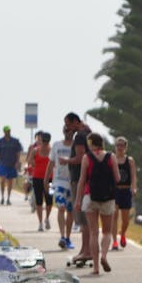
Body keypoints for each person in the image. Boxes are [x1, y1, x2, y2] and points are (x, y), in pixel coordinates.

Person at [74, 132, 120, 275]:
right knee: (106, 232)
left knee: (94, 232)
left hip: (90, 197)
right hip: (108, 198)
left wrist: (78, 200)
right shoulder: (111, 156)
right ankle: (104, 256)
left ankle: (95, 267)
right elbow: (117, 178)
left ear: (91, 143)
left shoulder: (87, 158)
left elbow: (82, 180)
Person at [61, 112, 92, 262]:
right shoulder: (87, 132)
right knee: (85, 217)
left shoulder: (80, 136)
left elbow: (81, 158)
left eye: (68, 124)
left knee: (82, 217)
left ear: (75, 122)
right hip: (87, 180)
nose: (67, 128)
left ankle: (86, 251)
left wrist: (66, 160)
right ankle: (85, 250)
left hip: (80, 180)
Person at [45, 126, 75, 249]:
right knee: (61, 207)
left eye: (70, 131)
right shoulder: (57, 145)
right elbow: (51, 162)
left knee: (71, 212)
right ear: (63, 132)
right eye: (66, 131)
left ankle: (68, 237)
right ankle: (62, 236)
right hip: (59, 183)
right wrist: (46, 179)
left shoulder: (76, 147)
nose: (68, 133)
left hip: (72, 183)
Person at [111, 136, 138, 251]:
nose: (120, 147)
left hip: (126, 190)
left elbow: (133, 176)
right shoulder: (112, 159)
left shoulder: (130, 160)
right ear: (115, 147)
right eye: (118, 145)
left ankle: (122, 233)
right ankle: (114, 241)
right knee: (114, 215)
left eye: (122, 145)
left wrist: (134, 188)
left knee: (125, 219)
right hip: (114, 190)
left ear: (125, 147)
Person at [28, 131, 53, 231]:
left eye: (47, 141)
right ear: (41, 140)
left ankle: (47, 218)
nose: (45, 143)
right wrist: (34, 164)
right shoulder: (35, 150)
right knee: (39, 201)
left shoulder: (52, 151)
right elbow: (29, 161)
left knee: (49, 200)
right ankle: (40, 223)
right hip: (37, 178)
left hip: (50, 178)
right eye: (43, 141)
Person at [0, 125, 23, 205]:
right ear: (4, 132)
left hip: (12, 164)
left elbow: (18, 152)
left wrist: (17, 162)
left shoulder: (15, 141)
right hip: (3, 163)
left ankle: (8, 198)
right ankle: (2, 197)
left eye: (9, 131)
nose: (8, 132)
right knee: (3, 179)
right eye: (7, 131)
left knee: (10, 181)